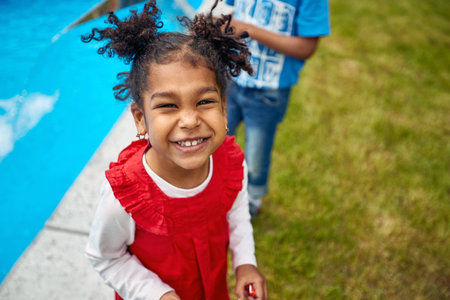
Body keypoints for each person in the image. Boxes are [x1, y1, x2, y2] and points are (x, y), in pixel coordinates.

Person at [81, 1, 267, 299]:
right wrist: (158, 294)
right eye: (168, 106)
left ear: (224, 108)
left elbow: (236, 212)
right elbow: (105, 257)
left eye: (205, 102)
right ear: (141, 119)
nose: (191, 120)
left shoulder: (230, 163)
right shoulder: (125, 197)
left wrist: (245, 263)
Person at [223, 0, 331, 216]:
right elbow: (229, 11)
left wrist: (251, 30)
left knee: (256, 154)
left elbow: (305, 48)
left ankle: (252, 199)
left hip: (269, 92)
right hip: (231, 79)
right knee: (217, 143)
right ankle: (214, 192)